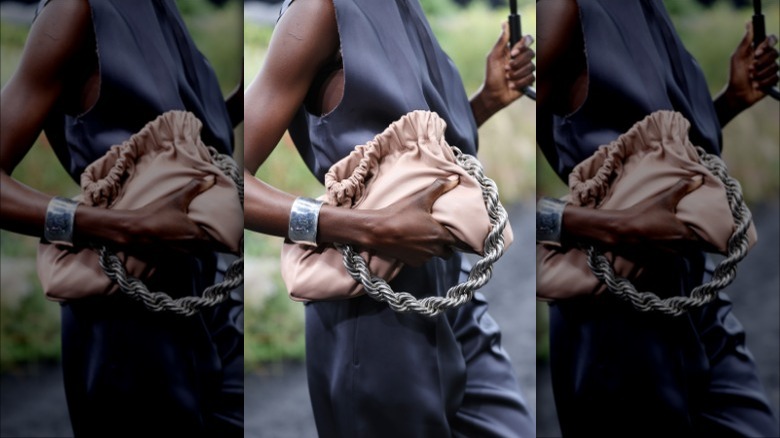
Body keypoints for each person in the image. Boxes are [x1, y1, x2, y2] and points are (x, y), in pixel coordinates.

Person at [243, 0, 536, 436]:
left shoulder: (406, 8)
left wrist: (487, 101)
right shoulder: (319, 11)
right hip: (373, 313)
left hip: (453, 298)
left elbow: (419, 158)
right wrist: (368, 228)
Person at [536, 0, 779, 436]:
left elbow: (656, 155)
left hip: (694, 298)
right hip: (617, 320)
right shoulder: (563, 11)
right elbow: (514, 209)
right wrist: (617, 227)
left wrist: (732, 100)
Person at [0, 0, 243, 435]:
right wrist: (123, 227)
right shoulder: (74, 11)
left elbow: (171, 138)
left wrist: (238, 104)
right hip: (129, 316)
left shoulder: (160, 10)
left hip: (204, 301)